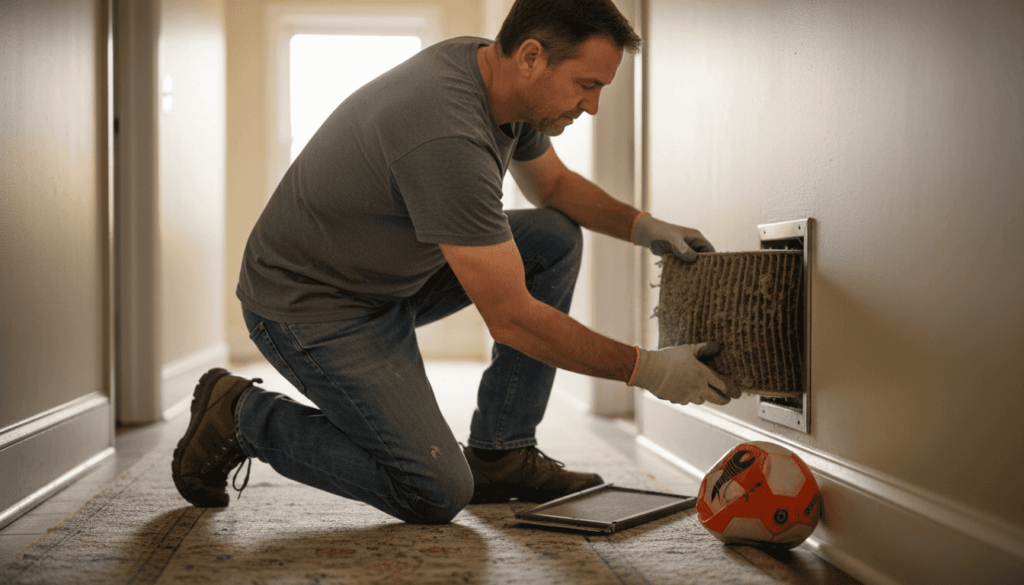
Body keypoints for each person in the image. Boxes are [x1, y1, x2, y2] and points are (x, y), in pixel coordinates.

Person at [172, 0, 739, 524]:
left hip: (386, 277)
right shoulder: (446, 132)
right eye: (586, 86)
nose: (591, 105)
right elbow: (511, 318)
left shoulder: (496, 77)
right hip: (311, 307)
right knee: (435, 489)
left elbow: (556, 185)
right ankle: (241, 415)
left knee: (552, 238)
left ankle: (503, 453)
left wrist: (646, 228)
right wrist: (649, 370)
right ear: (532, 57)